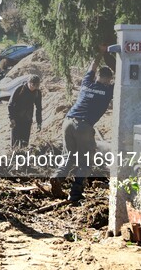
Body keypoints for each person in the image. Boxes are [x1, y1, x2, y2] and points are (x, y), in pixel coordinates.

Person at [50, 49, 114, 202]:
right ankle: (75, 193)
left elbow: (92, 67)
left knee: (68, 156)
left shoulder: (86, 83)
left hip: (68, 121)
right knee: (86, 162)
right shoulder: (108, 90)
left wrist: (100, 52)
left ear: (98, 76)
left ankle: (57, 177)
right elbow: (124, 78)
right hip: (83, 126)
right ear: (109, 79)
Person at [8, 74, 42, 148]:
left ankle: (23, 157)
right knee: (15, 144)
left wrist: (39, 122)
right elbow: (10, 104)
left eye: (37, 85)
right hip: (16, 120)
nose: (34, 87)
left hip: (27, 120)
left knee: (25, 143)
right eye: (33, 85)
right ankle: (14, 157)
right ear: (28, 82)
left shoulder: (37, 92)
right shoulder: (19, 89)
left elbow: (38, 108)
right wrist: (11, 118)